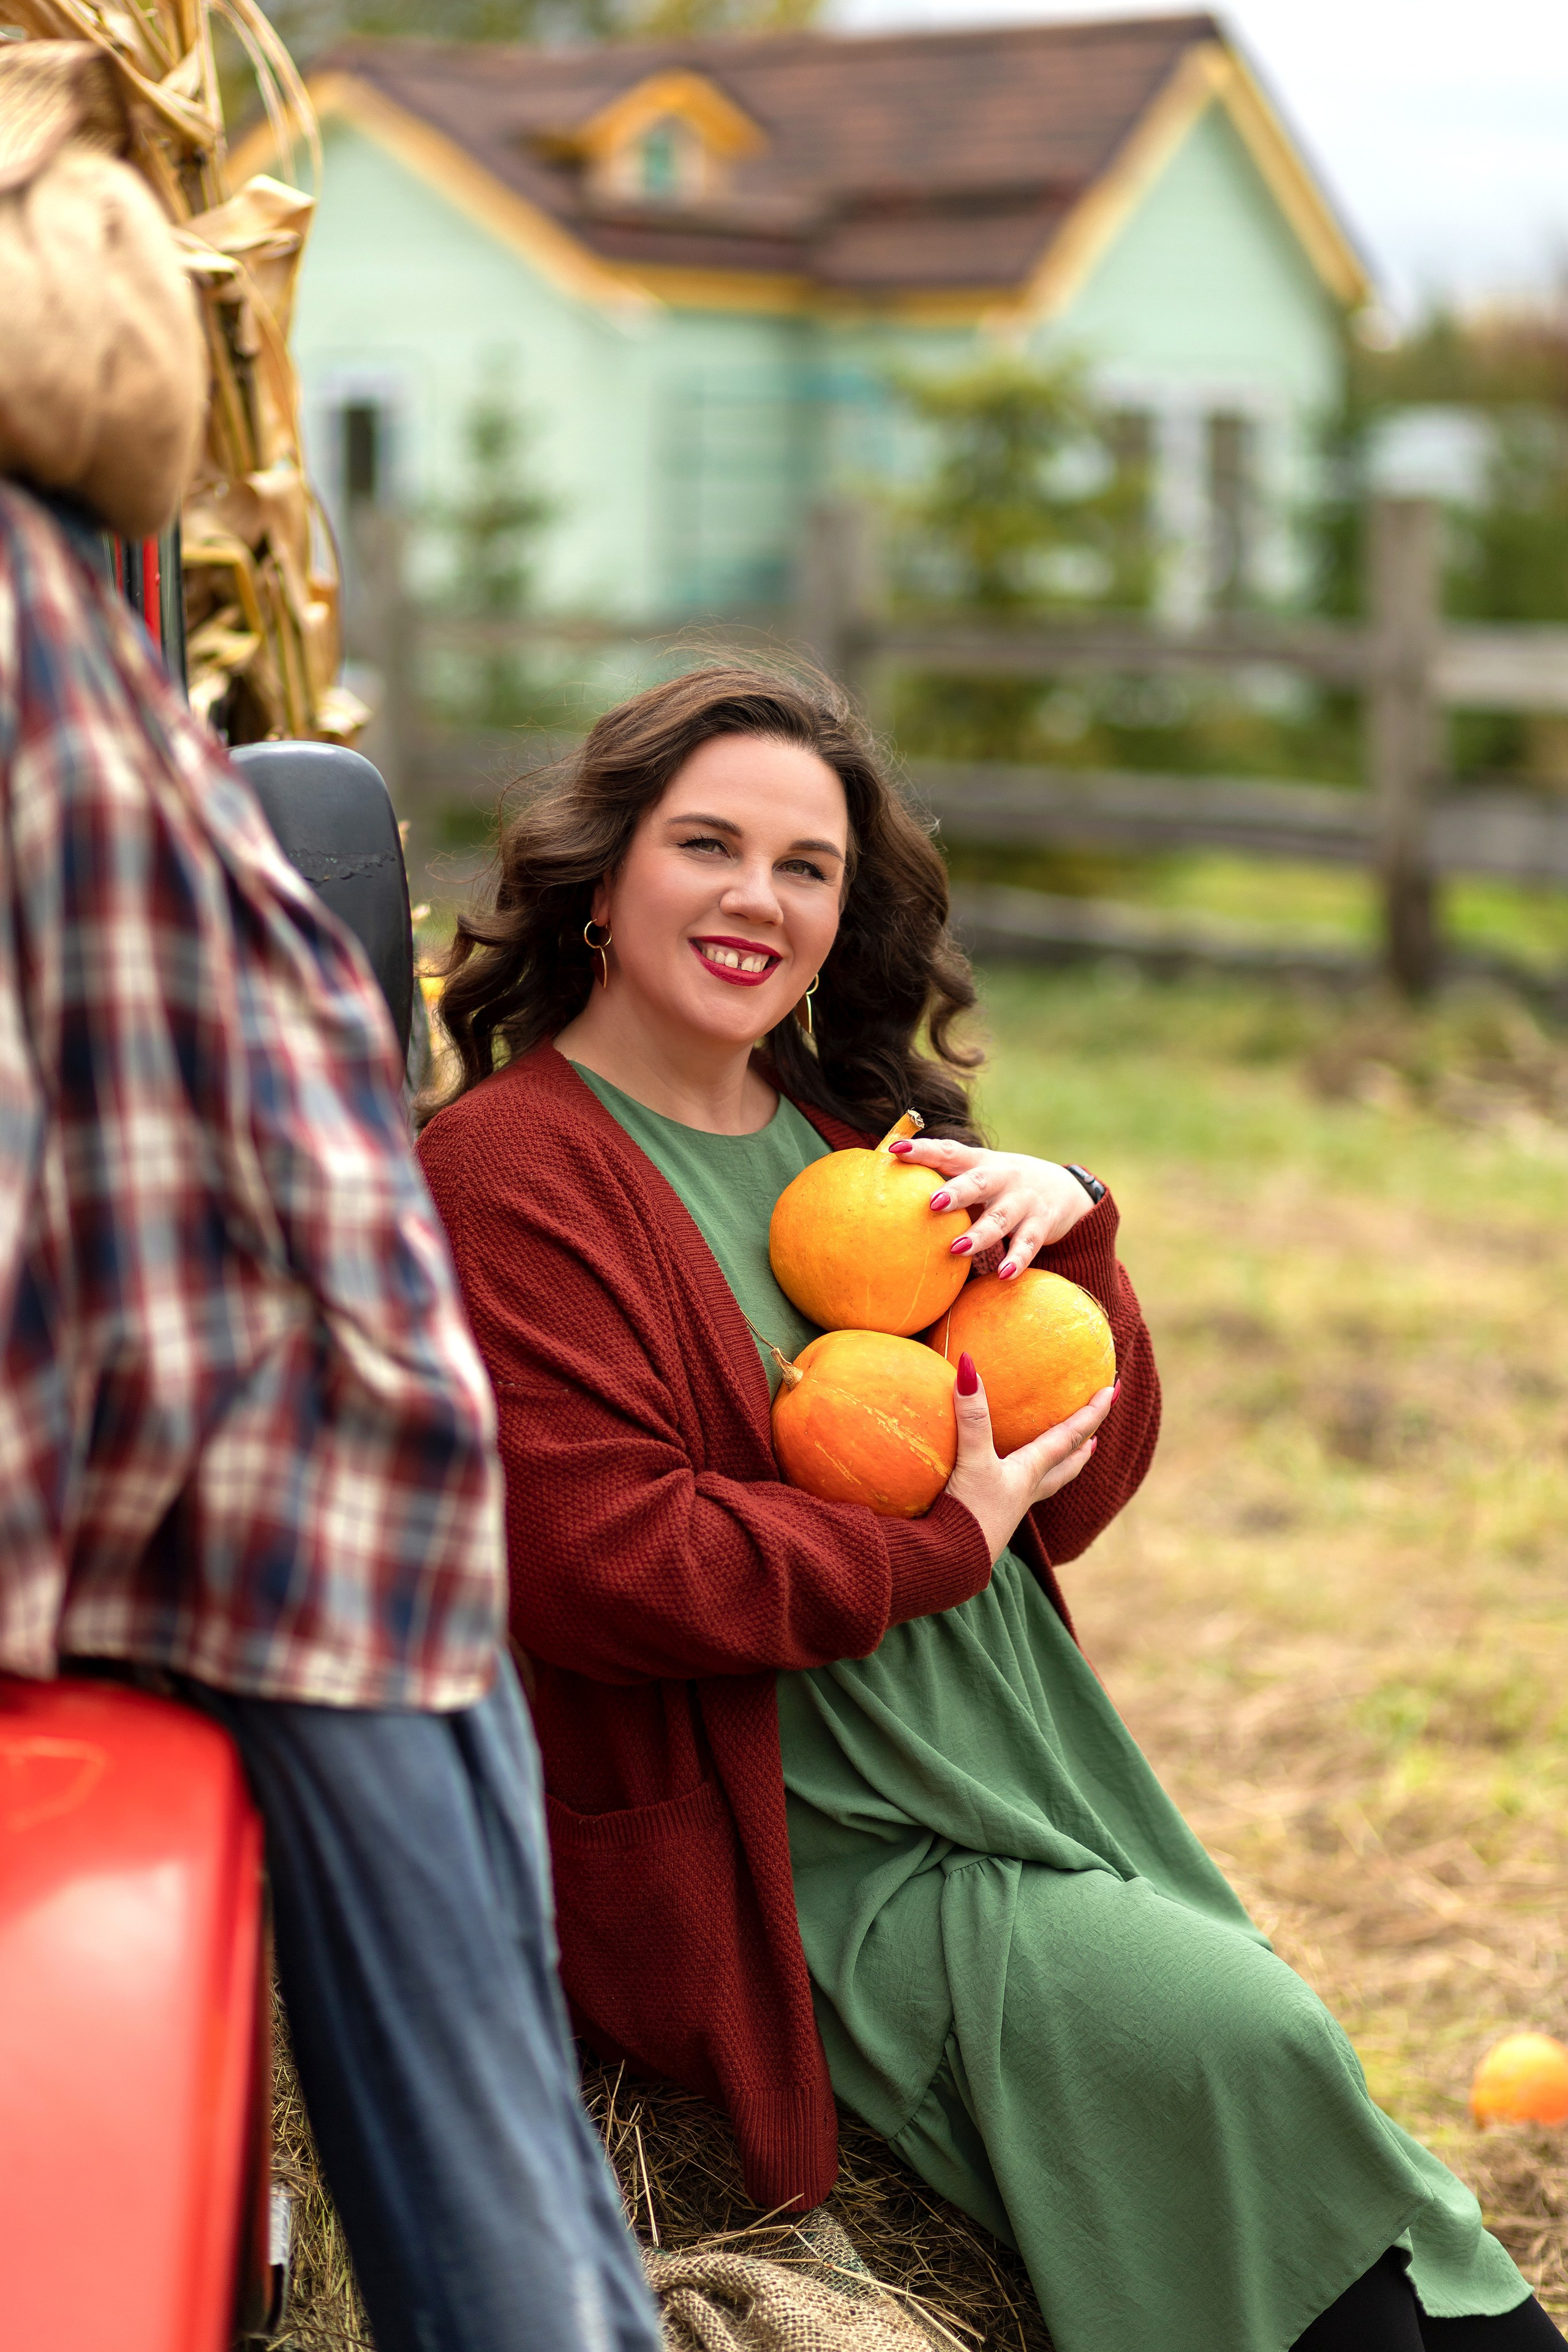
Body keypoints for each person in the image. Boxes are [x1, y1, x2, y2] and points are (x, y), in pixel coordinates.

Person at [417, 663, 1565, 2352]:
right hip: (810, 1842)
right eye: (708, 846)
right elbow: (596, 1561)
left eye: (806, 867)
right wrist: (924, 1549)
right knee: (1236, 2044)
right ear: (604, 874)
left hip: (1014, 1771)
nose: (758, 899)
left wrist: (1071, 1228)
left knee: (1293, 2092)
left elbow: (1068, 1485)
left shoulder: (850, 1143)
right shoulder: (516, 1173)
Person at [0, 45, 661, 2352]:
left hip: (275, 1513)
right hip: (348, 1480)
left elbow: (56, 1214)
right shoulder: (74, 656)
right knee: (501, 2161)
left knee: (483, 2216)